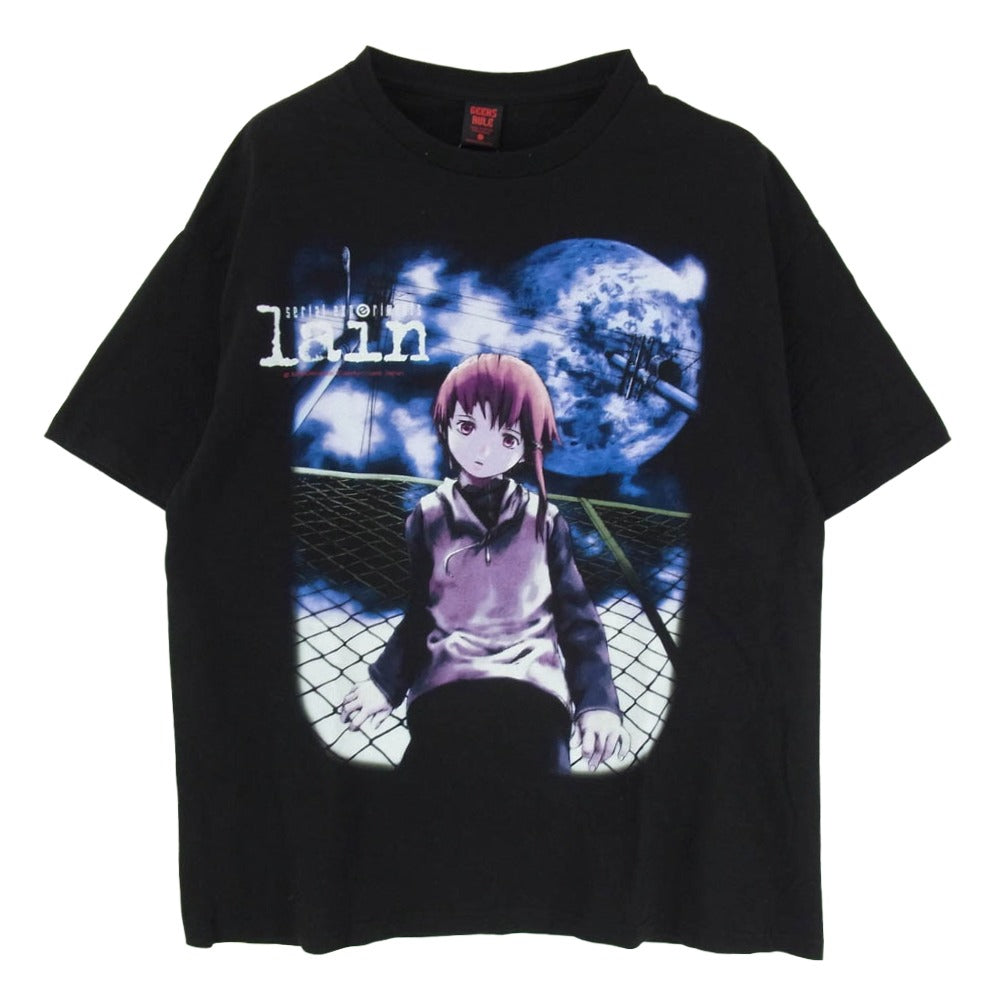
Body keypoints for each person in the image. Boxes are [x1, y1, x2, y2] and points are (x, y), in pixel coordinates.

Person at [338, 353, 628, 776]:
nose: (485, 450)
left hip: (534, 694)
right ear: (446, 425)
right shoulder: (427, 517)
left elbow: (578, 619)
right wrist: (384, 683)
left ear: (527, 447)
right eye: (467, 427)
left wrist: (597, 702)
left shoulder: (545, 520)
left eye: (508, 437)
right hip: (445, 691)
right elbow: (421, 614)